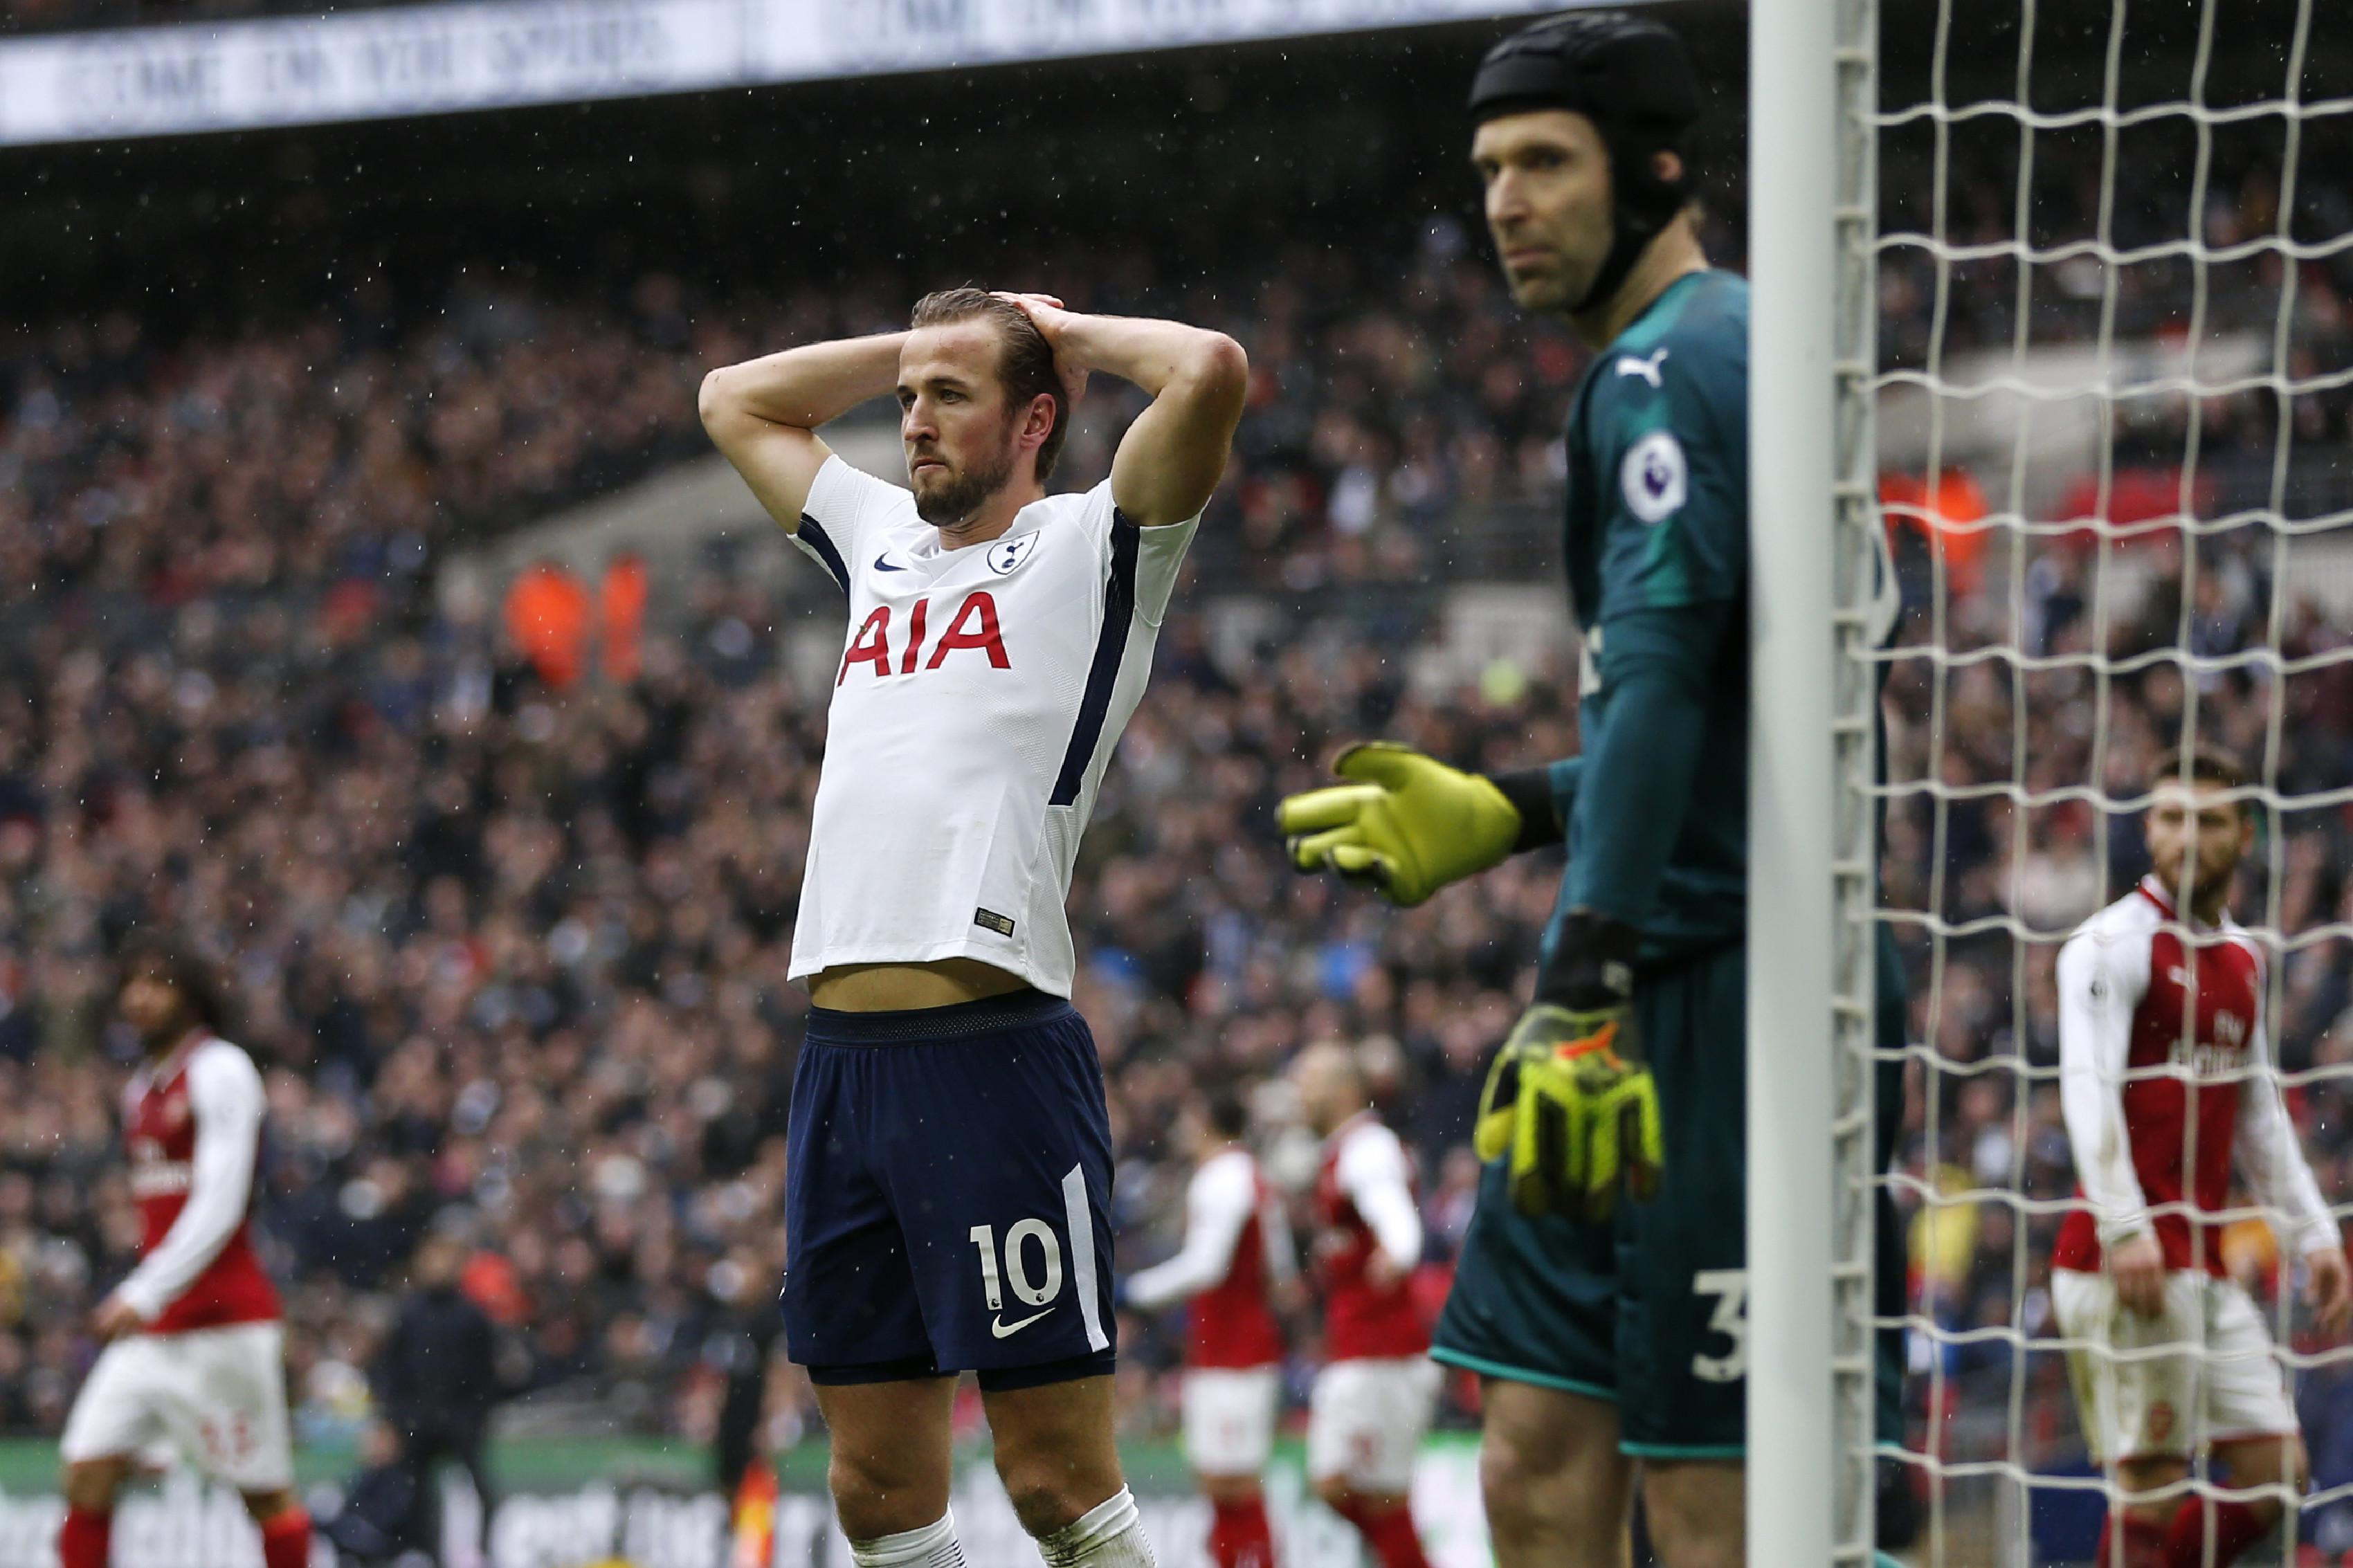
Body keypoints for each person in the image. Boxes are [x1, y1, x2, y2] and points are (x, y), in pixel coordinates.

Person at [1278, 14, 1756, 1566]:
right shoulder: (1636, 373)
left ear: (1658, 167)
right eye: (1488, 168)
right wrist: (1513, 808)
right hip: (1631, 977)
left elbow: (1679, 678)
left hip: (1721, 999)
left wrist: (1576, 975)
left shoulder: (1681, 366)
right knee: (1532, 1457)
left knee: (1708, 1502)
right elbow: (1684, 717)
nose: (1504, 199)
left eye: (1545, 160)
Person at [698, 286, 1246, 1568]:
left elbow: (1211, 370)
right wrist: (924, 347)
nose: (913, 422)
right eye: (903, 401)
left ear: (1035, 417)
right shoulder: (877, 534)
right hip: (841, 1067)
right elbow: (734, 399)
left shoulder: (1100, 543)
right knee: (877, 1494)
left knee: (1056, 1482)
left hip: (993, 1055)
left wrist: (1062, 328)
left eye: (950, 398)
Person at [2050, 747, 2351, 1568]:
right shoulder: (2109, 944)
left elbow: (2256, 1114)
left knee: (2274, 1474)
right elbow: (2086, 1090)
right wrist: (2123, 1224)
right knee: (2149, 1486)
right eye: (2172, 817)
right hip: (2123, 1256)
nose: (2188, 837)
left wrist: (2315, 1234)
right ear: (2148, 827)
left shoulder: (2242, 957)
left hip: (2202, 1264)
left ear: (2243, 835)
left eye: (2209, 820)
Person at [56, 940, 313, 1568]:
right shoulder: (140, 1089)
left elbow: (221, 1202)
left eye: (158, 983)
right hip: (155, 1331)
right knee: (86, 1471)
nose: (139, 998)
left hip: (224, 1323)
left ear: (192, 996)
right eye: (133, 984)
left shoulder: (222, 1069)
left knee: (265, 1497)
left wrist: (144, 1289)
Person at [1123, 1092, 1296, 1568]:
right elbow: (1281, 1272)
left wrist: (1134, 1293)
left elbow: (1207, 1267)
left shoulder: (1221, 1177)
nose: (1181, 1130)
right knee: (1225, 1482)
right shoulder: (1252, 1176)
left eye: (1189, 1118)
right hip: (1234, 1346)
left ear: (1207, 1122)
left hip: (1234, 1351)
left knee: (1231, 1482)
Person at [1290, 1041, 1435, 1568]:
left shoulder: (1368, 1148)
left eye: (1308, 1079)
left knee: (1360, 1491)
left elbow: (1396, 1216)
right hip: (1359, 1350)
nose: (1298, 1091)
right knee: (1349, 1490)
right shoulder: (1341, 1150)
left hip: (1385, 1353)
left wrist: (1399, 1250)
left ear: (1345, 1089)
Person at [376, 1227, 513, 1565]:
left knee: (480, 1490)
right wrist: (395, 1417)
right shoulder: (409, 1313)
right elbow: (393, 1369)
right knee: (414, 1495)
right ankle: (424, 1555)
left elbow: (486, 1374)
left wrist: (475, 1417)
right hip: (418, 1421)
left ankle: (482, 1553)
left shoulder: (472, 1315)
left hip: (459, 1419)